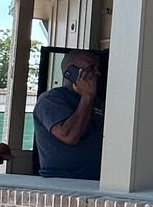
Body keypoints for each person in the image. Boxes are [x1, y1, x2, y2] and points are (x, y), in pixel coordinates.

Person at [33, 50, 104, 179]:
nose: (97, 73)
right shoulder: (51, 100)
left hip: (95, 180)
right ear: (70, 72)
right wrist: (87, 96)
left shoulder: (97, 103)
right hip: (62, 181)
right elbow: (69, 136)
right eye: (90, 68)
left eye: (97, 68)